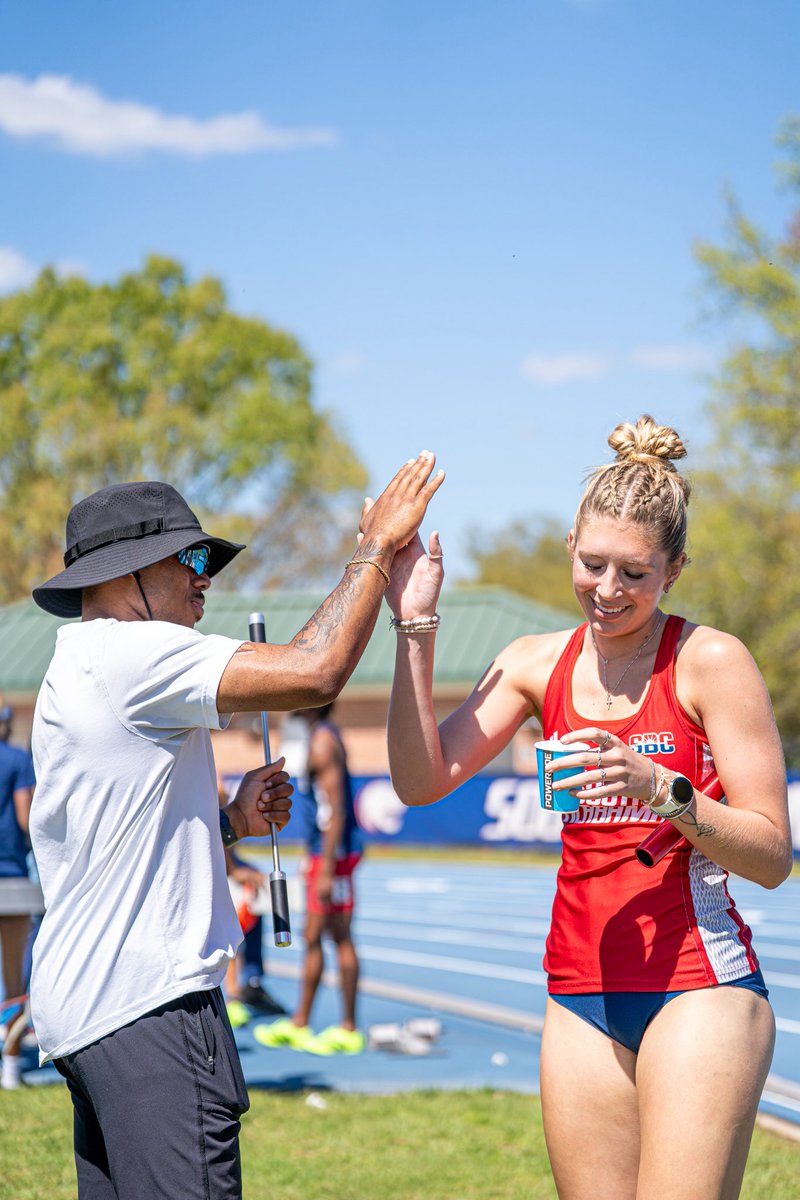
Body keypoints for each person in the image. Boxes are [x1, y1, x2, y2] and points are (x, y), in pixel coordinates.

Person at [385, 416, 792, 1200]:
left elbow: (772, 854)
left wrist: (663, 791)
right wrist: (413, 626)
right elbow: (418, 782)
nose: (608, 590)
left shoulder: (710, 661)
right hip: (579, 989)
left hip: (698, 987)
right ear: (570, 540)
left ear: (674, 569)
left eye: (635, 574)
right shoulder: (534, 663)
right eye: (592, 563)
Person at [28, 453, 442, 1200]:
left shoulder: (79, 663)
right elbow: (315, 670)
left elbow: (119, 850)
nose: (204, 578)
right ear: (125, 576)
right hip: (150, 1009)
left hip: (91, 1013)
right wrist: (375, 546)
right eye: (188, 558)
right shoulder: (131, 651)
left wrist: (228, 823)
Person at [255, 702, 364, 1054]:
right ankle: (302, 1021)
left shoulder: (322, 742)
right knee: (318, 935)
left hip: (334, 856)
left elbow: (335, 812)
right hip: (324, 853)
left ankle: (345, 1027)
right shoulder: (320, 737)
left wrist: (327, 868)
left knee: (334, 936)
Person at [0, 698, 42, 1089]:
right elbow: (26, 818)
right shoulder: (16, 760)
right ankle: (10, 1068)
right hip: (10, 876)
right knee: (14, 980)